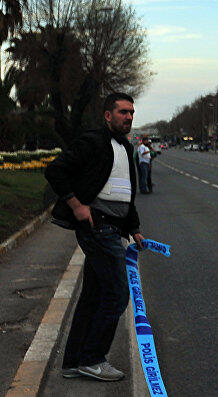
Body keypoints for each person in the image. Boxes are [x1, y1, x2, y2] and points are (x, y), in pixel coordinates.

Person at [45, 93, 144, 382]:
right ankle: (92, 359)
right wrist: (76, 205)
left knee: (93, 296)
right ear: (107, 115)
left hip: (114, 229)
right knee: (117, 295)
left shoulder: (125, 147)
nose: (128, 117)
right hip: (97, 228)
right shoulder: (92, 141)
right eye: (123, 112)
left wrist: (134, 228)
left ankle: (74, 363)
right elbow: (55, 170)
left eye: (132, 113)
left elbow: (125, 191)